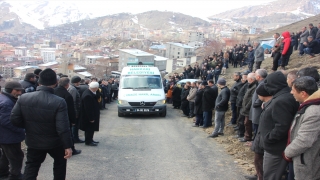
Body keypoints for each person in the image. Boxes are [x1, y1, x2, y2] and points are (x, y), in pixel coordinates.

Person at [11, 68, 73, 180]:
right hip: (55, 142)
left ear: (39, 82)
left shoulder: (24, 98)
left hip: (33, 140)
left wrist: (29, 127)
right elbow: (62, 127)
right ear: (55, 83)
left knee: (31, 166)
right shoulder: (59, 101)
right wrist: (68, 145)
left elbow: (15, 119)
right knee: (60, 164)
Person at [258, 71, 299, 180]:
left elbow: (282, 126)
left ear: (274, 84)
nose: (266, 87)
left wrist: (268, 138)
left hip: (276, 148)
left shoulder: (282, 100)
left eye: (268, 84)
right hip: (275, 146)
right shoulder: (281, 96)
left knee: (271, 176)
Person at [284, 77, 320, 180]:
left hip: (307, 162)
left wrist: (288, 152)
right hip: (301, 158)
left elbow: (305, 140)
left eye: (293, 90)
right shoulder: (307, 106)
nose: (291, 93)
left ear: (303, 93)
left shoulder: (313, 112)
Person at [246, 84, 272, 180]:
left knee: (261, 159)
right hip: (262, 137)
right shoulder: (267, 104)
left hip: (267, 139)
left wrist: (268, 138)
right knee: (258, 159)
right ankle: (258, 175)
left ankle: (260, 176)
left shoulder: (275, 104)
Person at [0, 82, 24, 180]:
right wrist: (21, 130)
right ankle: (15, 175)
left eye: (20, 90)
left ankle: (2, 173)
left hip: (5, 136)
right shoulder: (6, 102)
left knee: (6, 156)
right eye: (17, 90)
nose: (19, 92)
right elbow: (6, 121)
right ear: (10, 90)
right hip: (9, 136)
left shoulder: (4, 98)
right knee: (17, 156)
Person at [54, 77, 81, 156]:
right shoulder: (67, 95)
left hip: (54, 116)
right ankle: (72, 149)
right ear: (67, 84)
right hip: (65, 118)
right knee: (68, 135)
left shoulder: (54, 91)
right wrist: (73, 120)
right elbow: (70, 109)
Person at [79, 82, 101, 146]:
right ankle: (88, 141)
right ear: (95, 88)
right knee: (89, 129)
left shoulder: (89, 92)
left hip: (91, 115)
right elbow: (88, 108)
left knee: (91, 129)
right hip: (88, 116)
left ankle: (91, 139)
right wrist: (91, 118)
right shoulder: (88, 95)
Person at [239, 73, 258, 143]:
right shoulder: (251, 86)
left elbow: (251, 99)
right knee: (246, 123)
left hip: (248, 109)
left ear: (251, 79)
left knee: (247, 123)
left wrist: (247, 106)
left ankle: (247, 136)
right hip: (246, 108)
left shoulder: (254, 87)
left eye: (248, 79)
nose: (247, 80)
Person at [250, 69, 268, 140]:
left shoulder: (263, 84)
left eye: (255, 75)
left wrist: (256, 103)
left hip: (258, 110)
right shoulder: (260, 83)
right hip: (256, 109)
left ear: (258, 76)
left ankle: (256, 143)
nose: (254, 76)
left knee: (257, 128)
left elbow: (263, 95)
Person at [68, 76, 83, 143]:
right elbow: (73, 101)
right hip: (75, 111)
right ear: (76, 82)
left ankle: (75, 137)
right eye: (79, 82)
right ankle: (75, 138)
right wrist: (76, 113)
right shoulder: (73, 89)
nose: (79, 83)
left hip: (75, 110)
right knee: (75, 125)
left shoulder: (72, 88)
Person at [234, 72, 249, 139]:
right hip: (240, 104)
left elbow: (245, 96)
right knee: (240, 119)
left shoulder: (248, 85)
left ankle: (241, 134)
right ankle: (239, 132)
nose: (242, 79)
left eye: (243, 77)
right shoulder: (244, 84)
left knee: (242, 120)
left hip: (243, 105)